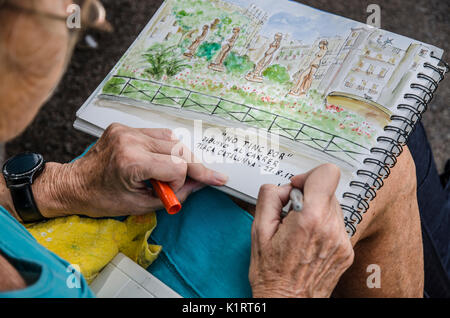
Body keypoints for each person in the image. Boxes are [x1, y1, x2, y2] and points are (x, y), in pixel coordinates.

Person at [0, 0, 448, 298]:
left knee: (380, 146)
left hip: (91, 228)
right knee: (385, 165)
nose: (85, 11)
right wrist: (287, 289)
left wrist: (57, 186)